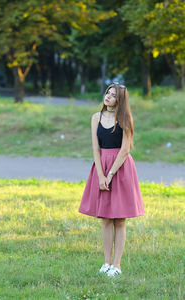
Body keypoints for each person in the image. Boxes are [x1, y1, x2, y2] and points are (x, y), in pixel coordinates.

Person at [78, 82, 145, 277]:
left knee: (119, 220)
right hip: (102, 167)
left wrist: (110, 175)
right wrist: (100, 175)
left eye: (113, 95)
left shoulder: (125, 119)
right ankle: (106, 263)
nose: (108, 96)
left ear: (120, 100)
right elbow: (95, 149)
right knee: (105, 218)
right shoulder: (95, 117)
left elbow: (125, 150)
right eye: (108, 92)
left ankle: (116, 265)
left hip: (120, 169)